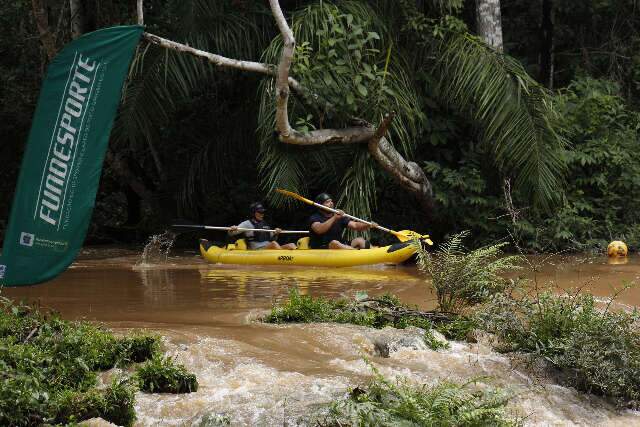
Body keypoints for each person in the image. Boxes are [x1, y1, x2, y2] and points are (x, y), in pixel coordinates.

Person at [308, 193, 376, 250]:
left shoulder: (338, 216)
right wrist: (334, 218)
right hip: (322, 248)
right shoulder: (314, 218)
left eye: (331, 201)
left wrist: (368, 224)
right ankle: (356, 252)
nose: (331, 203)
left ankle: (375, 252)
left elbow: (355, 225)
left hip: (341, 245)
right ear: (320, 206)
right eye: (327, 202)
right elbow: (319, 229)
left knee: (360, 240)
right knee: (334, 243)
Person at [229, 202, 296, 250]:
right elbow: (231, 233)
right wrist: (232, 229)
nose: (262, 214)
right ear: (253, 213)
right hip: (256, 250)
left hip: (269, 247)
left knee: (291, 245)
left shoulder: (265, 224)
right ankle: (283, 259)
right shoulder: (247, 224)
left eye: (263, 212)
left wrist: (276, 233)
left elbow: (272, 238)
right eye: (259, 212)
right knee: (274, 244)